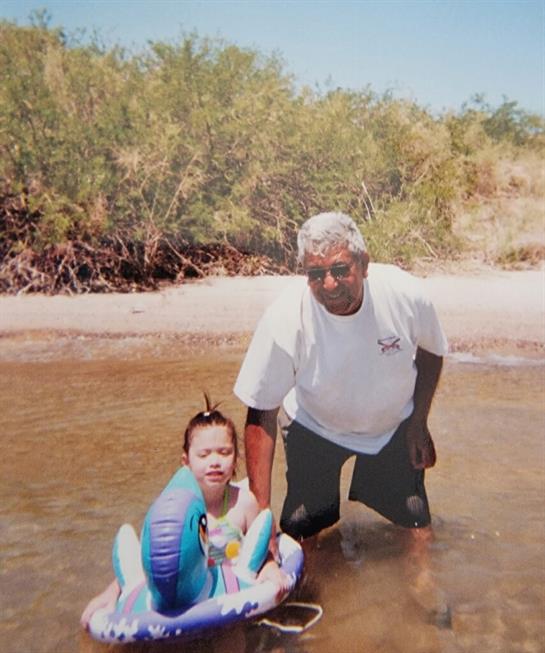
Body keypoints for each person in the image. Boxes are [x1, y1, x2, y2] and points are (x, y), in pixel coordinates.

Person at [234, 211, 448, 550]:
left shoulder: (406, 295)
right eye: (316, 274)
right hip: (315, 426)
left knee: (415, 519)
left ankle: (424, 591)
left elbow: (432, 352)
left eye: (340, 269)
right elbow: (261, 411)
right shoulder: (285, 318)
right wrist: (262, 516)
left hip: (390, 427)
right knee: (302, 529)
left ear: (364, 263)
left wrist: (419, 421)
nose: (329, 285)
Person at [80, 396, 289, 629]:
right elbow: (152, 561)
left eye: (224, 452)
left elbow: (262, 546)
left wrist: (271, 568)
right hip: (184, 604)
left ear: (235, 459)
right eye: (204, 454)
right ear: (186, 462)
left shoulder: (243, 503)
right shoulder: (176, 510)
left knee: (230, 643)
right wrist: (114, 591)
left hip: (226, 603)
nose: (215, 462)